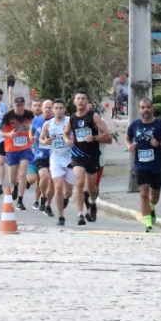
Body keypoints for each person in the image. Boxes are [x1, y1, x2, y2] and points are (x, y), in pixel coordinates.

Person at [67, 91, 112, 225]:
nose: (80, 101)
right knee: (79, 182)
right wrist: (67, 139)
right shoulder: (72, 119)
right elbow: (65, 132)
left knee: (92, 186)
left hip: (92, 155)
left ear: (87, 102)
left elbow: (107, 135)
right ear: (74, 102)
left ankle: (92, 202)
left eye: (83, 98)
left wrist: (94, 137)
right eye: (78, 98)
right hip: (77, 155)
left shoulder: (94, 116)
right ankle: (80, 214)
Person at [128, 97, 161, 231]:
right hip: (140, 165)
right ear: (139, 110)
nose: (145, 110)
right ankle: (148, 225)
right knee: (143, 193)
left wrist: (159, 143)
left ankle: (151, 207)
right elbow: (127, 137)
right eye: (143, 107)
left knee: (154, 197)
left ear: (152, 108)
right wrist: (129, 145)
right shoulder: (134, 125)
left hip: (156, 166)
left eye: (148, 107)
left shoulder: (160, 125)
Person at [40, 100, 74, 225]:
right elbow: (41, 139)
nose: (58, 110)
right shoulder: (48, 124)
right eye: (56, 108)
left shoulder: (70, 121)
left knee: (68, 191)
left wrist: (71, 140)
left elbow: (77, 136)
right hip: (56, 158)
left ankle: (65, 198)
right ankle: (61, 216)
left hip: (70, 158)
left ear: (64, 109)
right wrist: (45, 141)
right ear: (53, 110)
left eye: (61, 108)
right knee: (58, 187)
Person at [2, 95, 36, 209]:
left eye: (21, 105)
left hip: (25, 148)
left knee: (22, 173)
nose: (20, 108)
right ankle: (15, 186)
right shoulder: (8, 116)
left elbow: (34, 127)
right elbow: (0, 133)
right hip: (11, 149)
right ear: (14, 105)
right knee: (12, 177)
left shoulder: (29, 115)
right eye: (17, 105)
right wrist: (9, 134)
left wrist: (33, 135)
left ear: (24, 105)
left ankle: (20, 200)